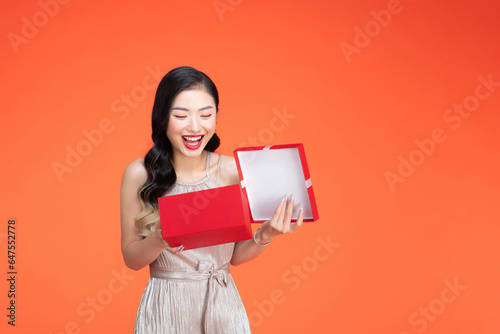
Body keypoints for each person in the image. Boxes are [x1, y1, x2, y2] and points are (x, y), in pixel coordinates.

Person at [120, 66, 303, 333]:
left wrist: (265, 235)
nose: (195, 127)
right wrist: (159, 239)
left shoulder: (232, 171)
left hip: (223, 308)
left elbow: (235, 257)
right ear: (162, 118)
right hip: (165, 311)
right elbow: (131, 258)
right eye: (181, 115)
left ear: (216, 116)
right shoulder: (139, 173)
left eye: (206, 115)